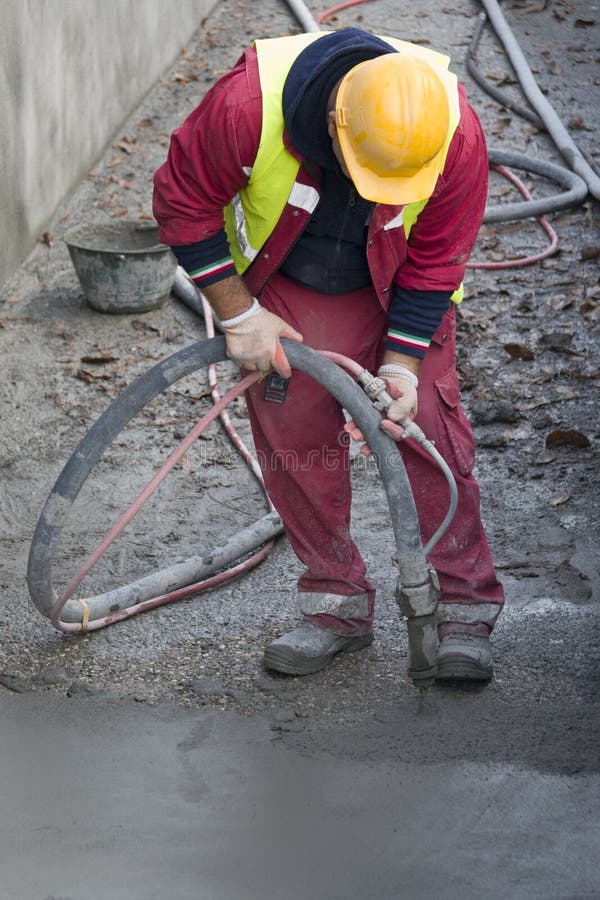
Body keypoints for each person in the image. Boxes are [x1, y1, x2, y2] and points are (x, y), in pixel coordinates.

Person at [153, 27, 505, 682]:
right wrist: (241, 314)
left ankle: (462, 606)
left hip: (399, 273)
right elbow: (183, 202)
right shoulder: (246, 109)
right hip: (296, 278)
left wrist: (402, 360)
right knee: (297, 425)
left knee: (425, 421)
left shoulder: (452, 131)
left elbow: (437, 257)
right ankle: (334, 603)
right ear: (334, 126)